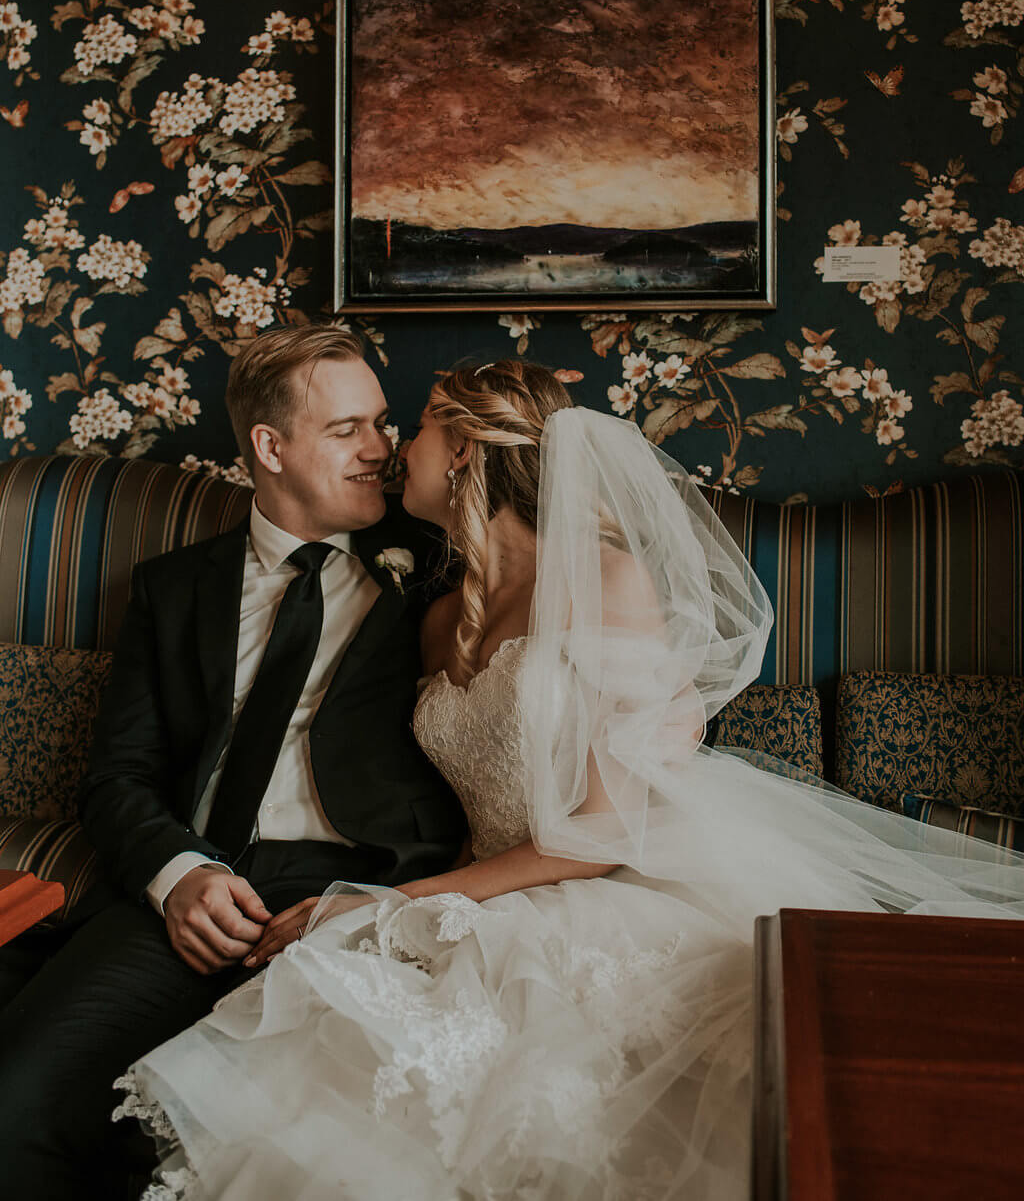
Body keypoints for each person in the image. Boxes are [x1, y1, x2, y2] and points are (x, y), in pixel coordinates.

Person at [118, 359, 1024, 1201]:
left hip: (619, 878)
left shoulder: (608, 579)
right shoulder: (438, 622)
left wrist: (397, 905)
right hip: (500, 885)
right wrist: (417, 914)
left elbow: (602, 832)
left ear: (465, 448)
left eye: (416, 428)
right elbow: (471, 806)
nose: (394, 452)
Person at [0, 323, 466, 1199]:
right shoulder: (173, 588)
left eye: (382, 423)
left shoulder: (443, 565)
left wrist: (376, 908)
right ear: (270, 446)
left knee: (239, 1146)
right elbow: (118, 776)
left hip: (361, 903)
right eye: (347, 430)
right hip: (195, 888)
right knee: (16, 1102)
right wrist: (178, 875)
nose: (383, 451)